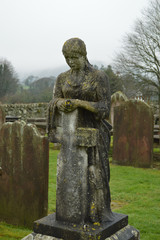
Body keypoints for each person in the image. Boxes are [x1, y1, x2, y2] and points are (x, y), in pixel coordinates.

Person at [47, 38, 113, 223]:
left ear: (84, 55)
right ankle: (71, 213)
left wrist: (79, 103)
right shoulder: (62, 78)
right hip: (70, 133)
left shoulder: (98, 77)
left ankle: (96, 213)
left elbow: (104, 108)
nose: (71, 61)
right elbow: (54, 101)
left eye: (75, 57)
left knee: (95, 174)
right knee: (70, 174)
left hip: (95, 132)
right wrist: (62, 103)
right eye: (67, 58)